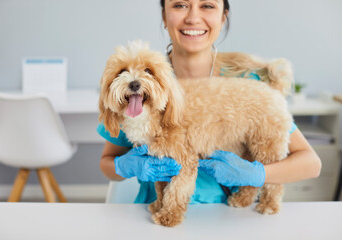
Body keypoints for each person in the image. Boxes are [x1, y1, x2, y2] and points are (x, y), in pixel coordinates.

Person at [98, 0, 322, 204]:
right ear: (164, 17)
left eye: (207, 6)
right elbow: (107, 165)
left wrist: (257, 174)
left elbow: (311, 163)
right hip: (157, 213)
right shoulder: (136, 87)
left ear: (223, 17)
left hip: (231, 215)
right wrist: (127, 166)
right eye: (180, 5)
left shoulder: (248, 86)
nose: (193, 18)